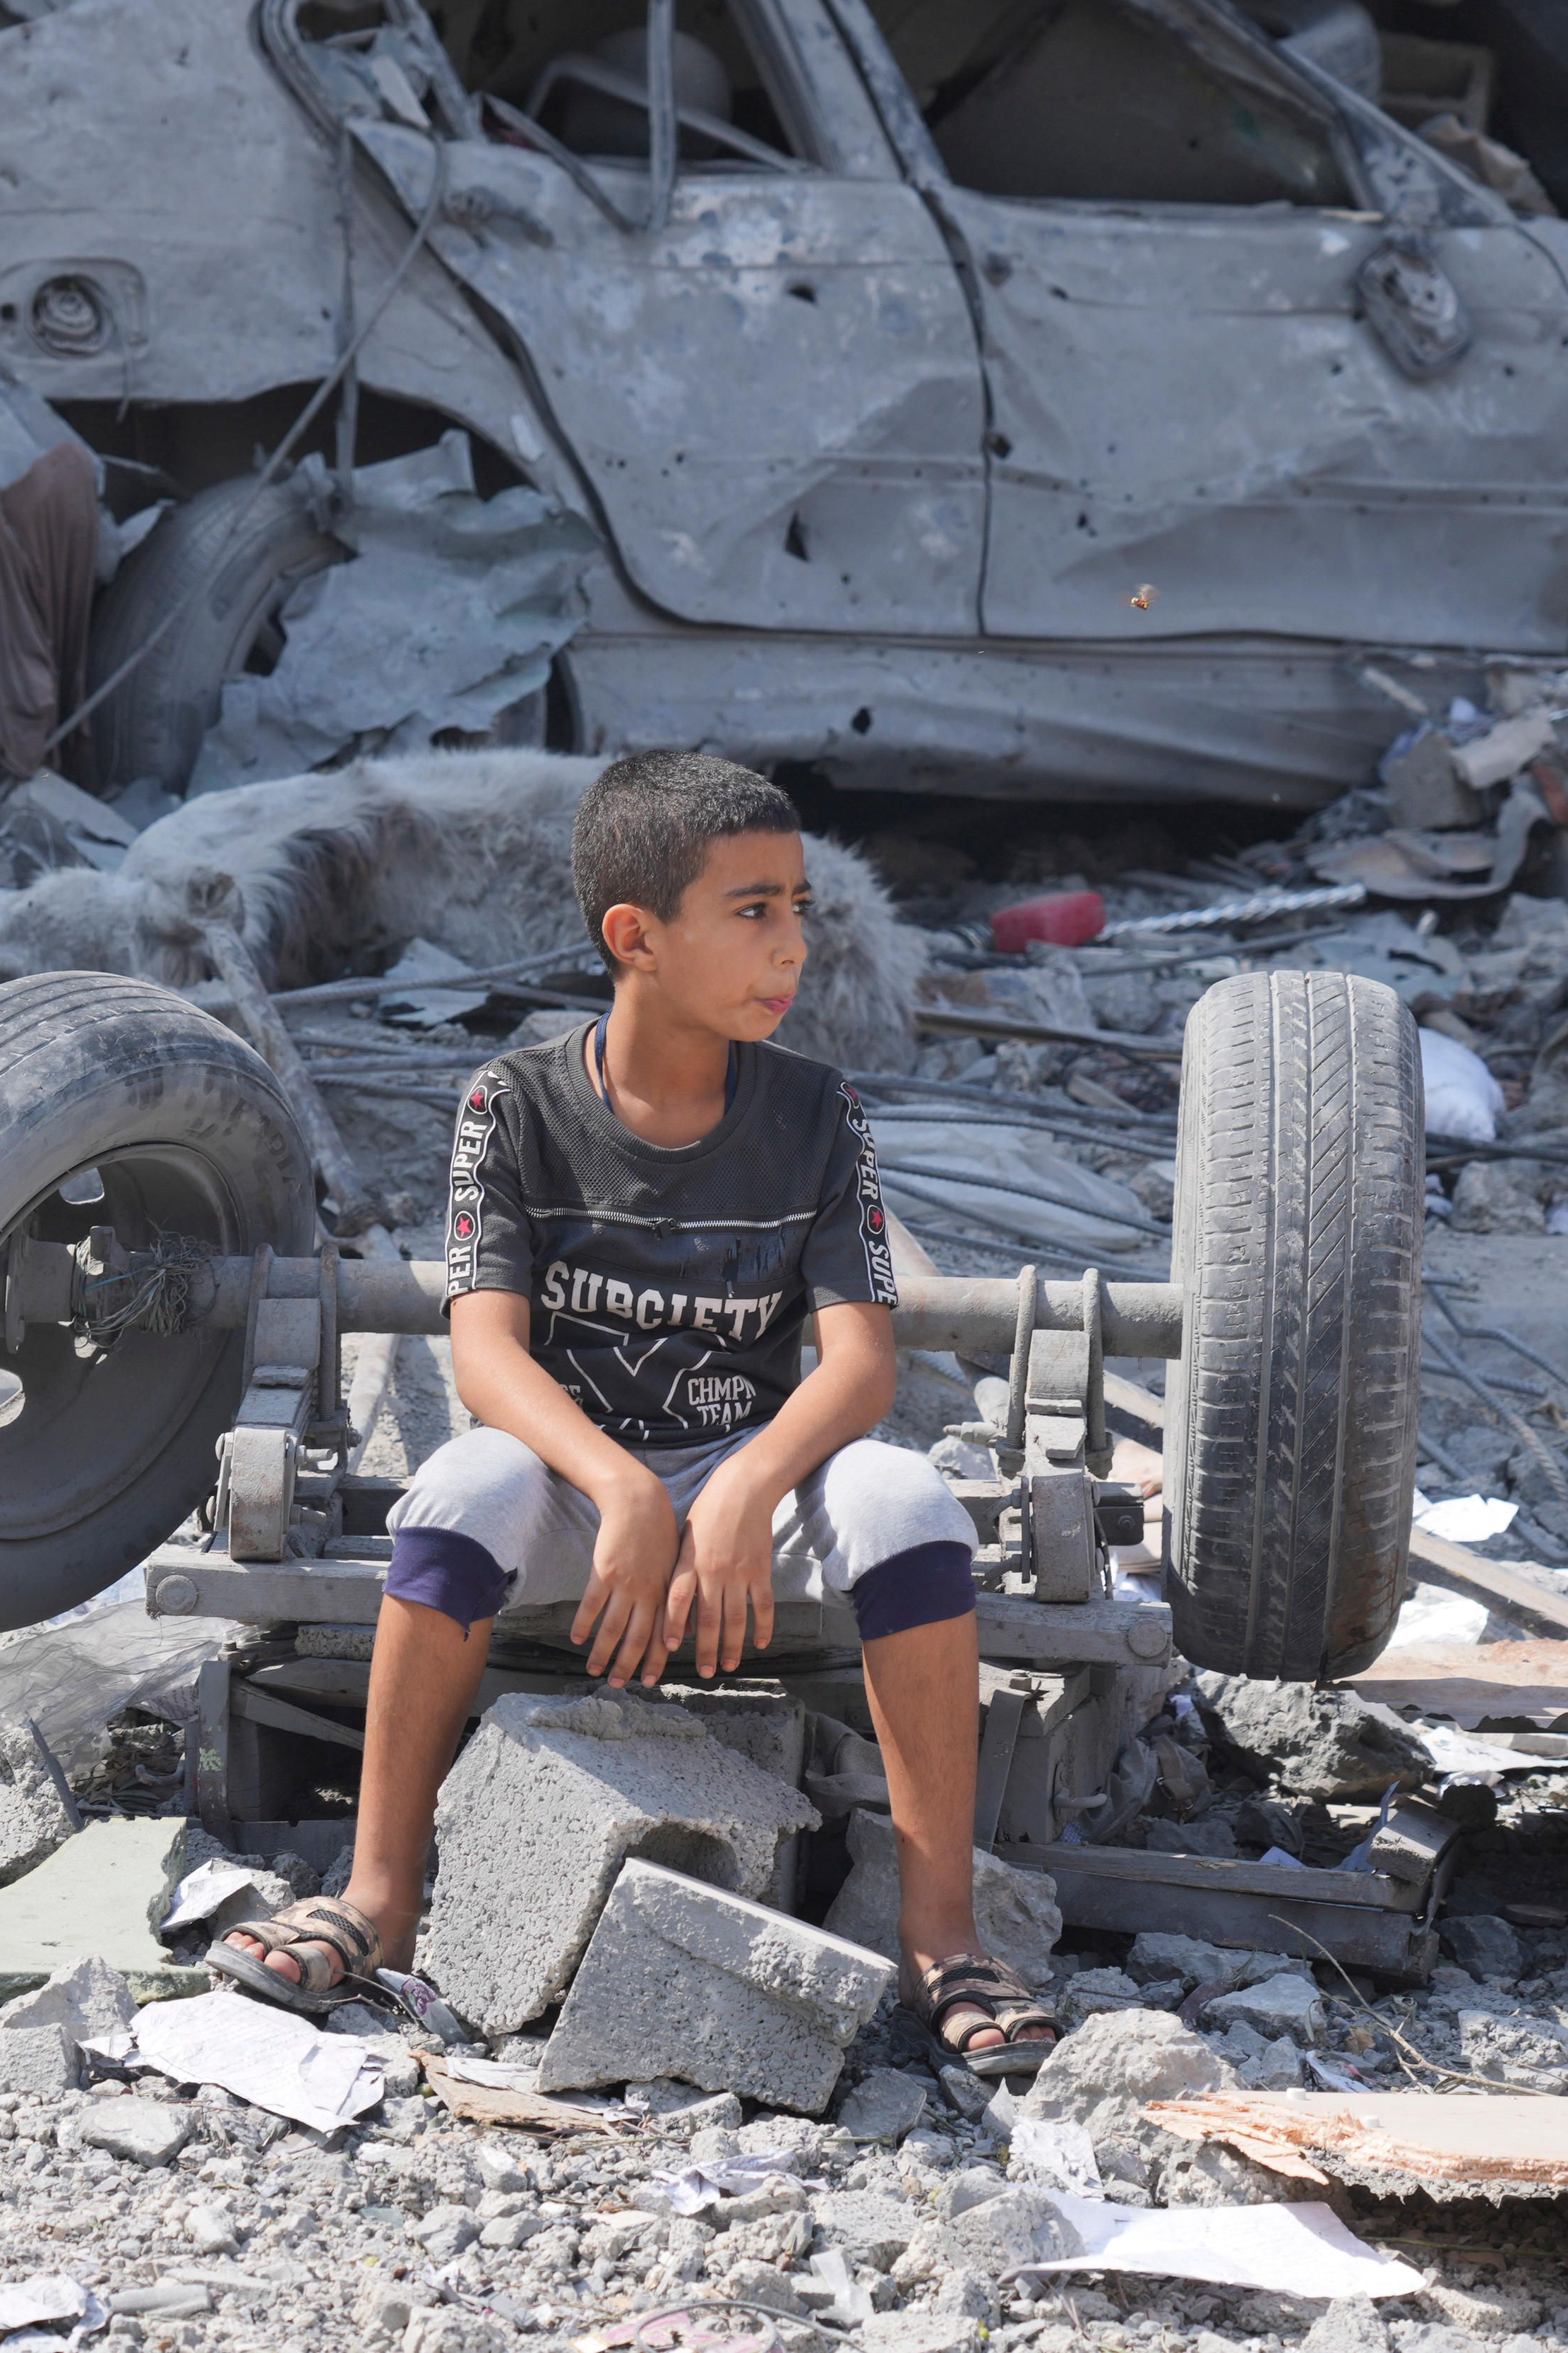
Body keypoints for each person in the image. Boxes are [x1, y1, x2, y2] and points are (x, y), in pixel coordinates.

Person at [208, 750, 1061, 2077]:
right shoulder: (515, 1105)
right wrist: (618, 1489)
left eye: (798, 908)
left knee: (906, 1499)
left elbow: (859, 1369)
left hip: (753, 1487)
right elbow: (486, 1356)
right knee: (456, 1492)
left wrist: (739, 1491)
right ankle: (379, 1892)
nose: (793, 946)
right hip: (574, 1484)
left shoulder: (821, 1114)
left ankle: (941, 1930)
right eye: (753, 911)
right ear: (636, 938)